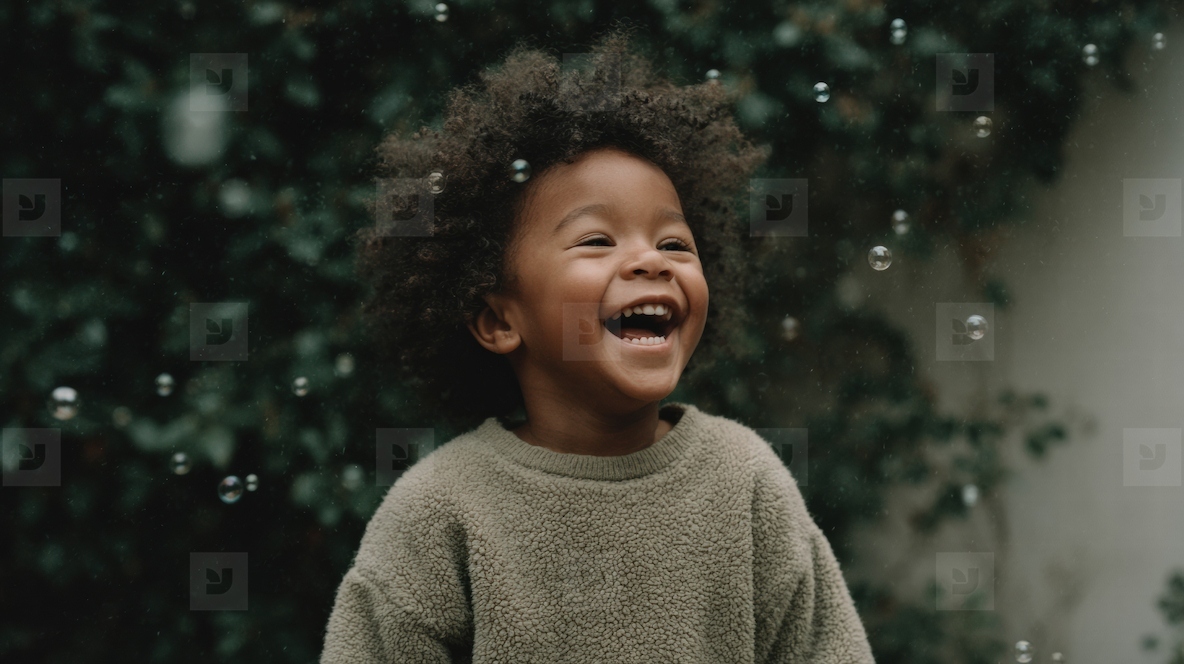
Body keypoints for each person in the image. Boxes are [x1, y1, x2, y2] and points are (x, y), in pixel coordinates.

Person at [321, 28, 876, 664]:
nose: (650, 260)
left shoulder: (744, 482)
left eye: (674, 244)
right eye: (595, 240)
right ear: (499, 320)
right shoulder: (438, 513)